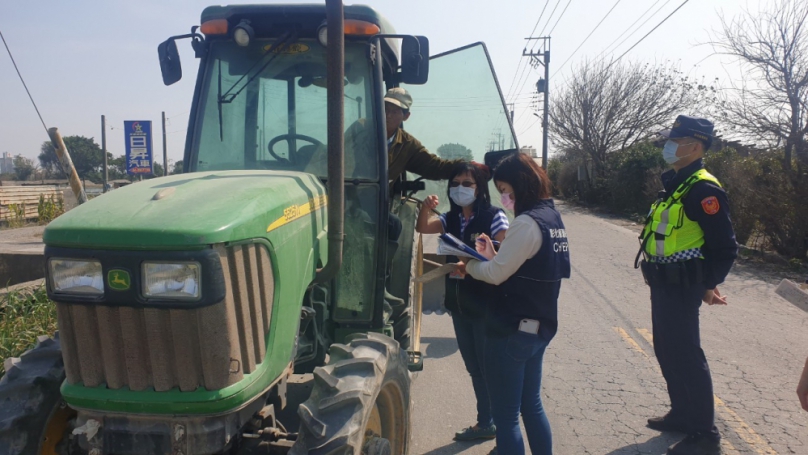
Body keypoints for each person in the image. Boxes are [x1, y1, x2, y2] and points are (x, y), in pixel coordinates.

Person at [636, 115, 738, 455]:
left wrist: (707, 284)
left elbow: (724, 247)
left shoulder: (704, 189)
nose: (668, 146)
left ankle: (705, 435)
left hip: (683, 286)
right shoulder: (679, 181)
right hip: (664, 283)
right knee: (666, 349)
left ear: (694, 146)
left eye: (675, 141)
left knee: (687, 355)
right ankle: (682, 413)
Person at [457, 152, 570, 455]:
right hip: (538, 326)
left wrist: (469, 265)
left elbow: (494, 274)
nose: (505, 197)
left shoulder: (526, 223)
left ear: (521, 184)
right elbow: (526, 263)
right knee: (531, 405)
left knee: (506, 417)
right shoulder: (552, 218)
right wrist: (496, 251)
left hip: (510, 328)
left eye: (506, 190)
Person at [416, 161, 509, 442]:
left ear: (479, 188)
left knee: (489, 368)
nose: (460, 189)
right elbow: (423, 227)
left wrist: (470, 261)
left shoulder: (495, 217)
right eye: (455, 184)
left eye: (467, 184)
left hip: (485, 306)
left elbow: (505, 255)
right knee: (474, 367)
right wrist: (425, 207)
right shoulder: (450, 218)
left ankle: (501, 427)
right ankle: (487, 421)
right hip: (459, 304)